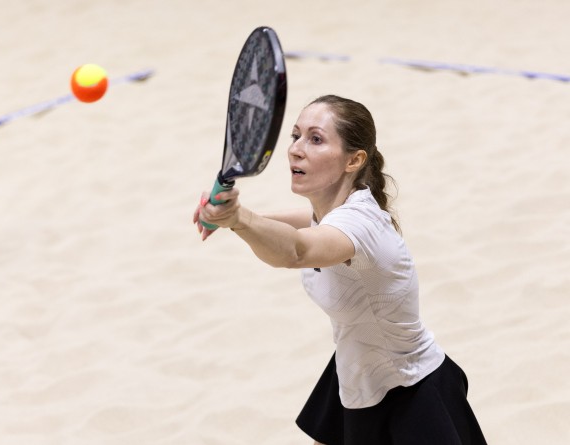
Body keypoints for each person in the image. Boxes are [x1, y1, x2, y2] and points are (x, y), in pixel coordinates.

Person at [194, 94, 487, 445]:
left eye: (316, 139)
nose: (296, 149)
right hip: (356, 372)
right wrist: (233, 219)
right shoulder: (333, 211)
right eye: (296, 136)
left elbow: (296, 251)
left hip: (410, 389)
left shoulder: (360, 225)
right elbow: (304, 222)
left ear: (354, 160)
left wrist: (240, 219)